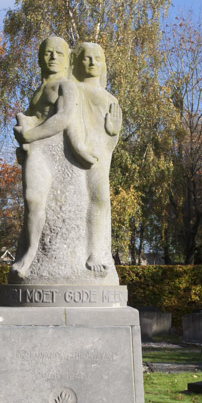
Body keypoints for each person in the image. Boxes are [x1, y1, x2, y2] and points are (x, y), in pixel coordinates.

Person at [11, 37, 96, 280]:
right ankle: (31, 250)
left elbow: (63, 118)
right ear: (39, 58)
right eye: (47, 53)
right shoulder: (39, 90)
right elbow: (39, 118)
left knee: (36, 200)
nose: (52, 57)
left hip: (57, 153)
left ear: (67, 58)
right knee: (32, 200)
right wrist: (25, 128)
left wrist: (30, 133)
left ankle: (30, 253)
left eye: (58, 53)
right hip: (38, 151)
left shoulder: (66, 86)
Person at [72, 42, 121, 274]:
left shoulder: (111, 98)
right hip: (73, 154)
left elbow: (111, 141)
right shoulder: (73, 89)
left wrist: (112, 132)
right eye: (86, 58)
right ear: (77, 62)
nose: (92, 63)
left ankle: (96, 250)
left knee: (100, 199)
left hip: (99, 156)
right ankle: (83, 252)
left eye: (97, 59)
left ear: (103, 64)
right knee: (80, 201)